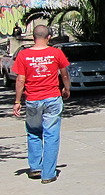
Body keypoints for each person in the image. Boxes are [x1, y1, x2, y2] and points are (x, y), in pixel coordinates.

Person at [12, 25, 70, 183]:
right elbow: (64, 73)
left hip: (32, 100)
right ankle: (48, 174)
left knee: (33, 132)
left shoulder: (24, 55)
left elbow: (20, 79)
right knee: (51, 135)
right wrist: (67, 88)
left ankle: (36, 167)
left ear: (33, 37)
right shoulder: (56, 53)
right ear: (49, 37)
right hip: (52, 98)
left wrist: (17, 101)